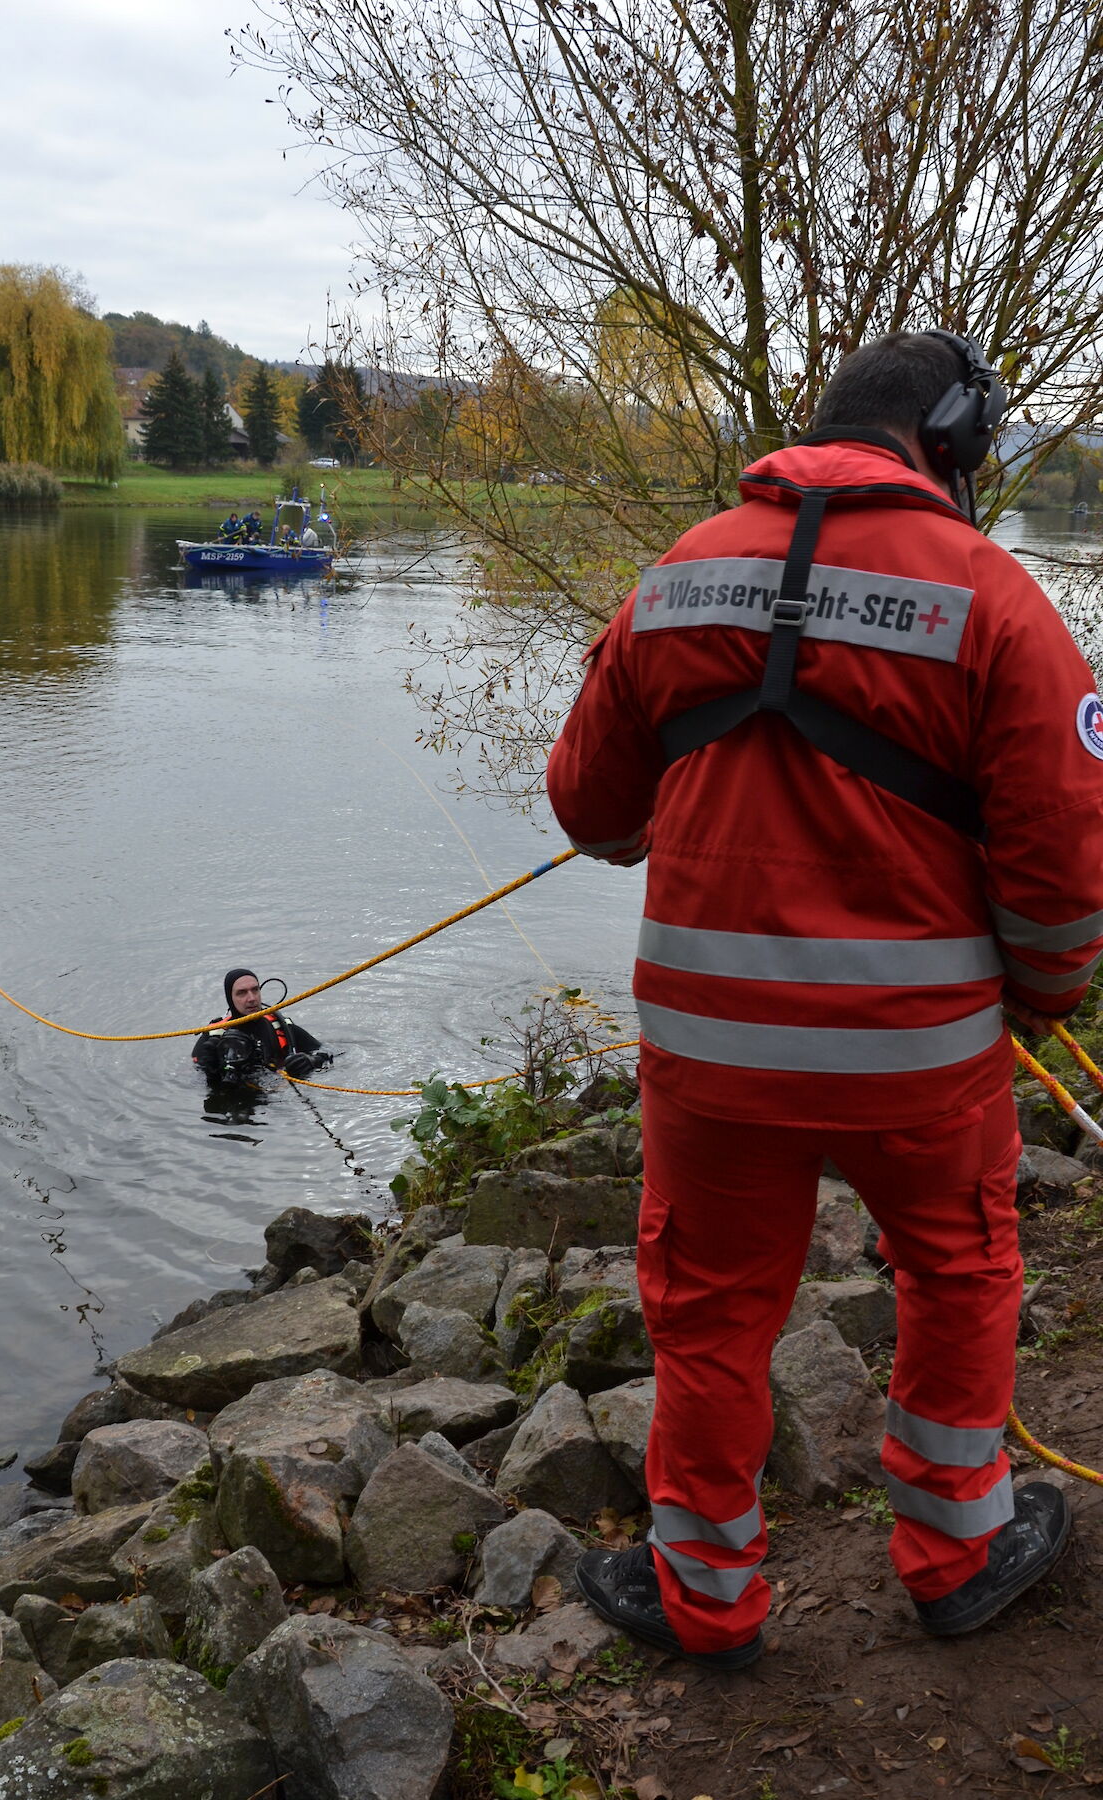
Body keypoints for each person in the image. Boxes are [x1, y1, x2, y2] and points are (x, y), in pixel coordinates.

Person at [546, 330, 1103, 1669]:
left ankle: (707, 1598)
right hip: (922, 1062)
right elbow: (1065, 856)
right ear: (953, 446)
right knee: (960, 1274)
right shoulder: (993, 597)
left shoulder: (678, 575)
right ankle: (959, 1555)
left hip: (709, 1067)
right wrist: (1038, 997)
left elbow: (587, 806)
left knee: (712, 1312)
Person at [192, 968, 332, 1083]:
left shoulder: (281, 1027)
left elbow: (335, 1052)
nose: (252, 998)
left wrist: (312, 1061)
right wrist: (211, 1073)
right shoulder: (214, 1035)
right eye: (242, 993)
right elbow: (192, 1079)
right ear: (230, 998)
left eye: (255, 990)